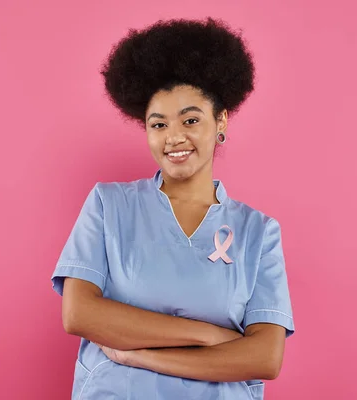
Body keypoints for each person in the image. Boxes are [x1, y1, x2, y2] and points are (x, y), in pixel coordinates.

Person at [50, 17, 295, 400]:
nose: (174, 137)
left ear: (221, 121)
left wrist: (144, 355)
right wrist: (210, 336)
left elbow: (265, 356)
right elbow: (79, 315)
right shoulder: (108, 205)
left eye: (191, 119)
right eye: (158, 124)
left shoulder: (257, 232)